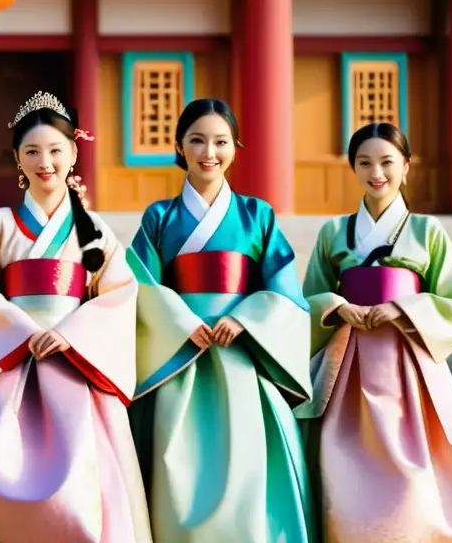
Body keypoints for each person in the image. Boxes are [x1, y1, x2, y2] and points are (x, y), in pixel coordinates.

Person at [0, 91, 152, 543]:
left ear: (73, 152)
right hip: (11, 366)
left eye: (55, 150)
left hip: (75, 365)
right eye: (31, 151)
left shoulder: (95, 231)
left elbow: (119, 293)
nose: (44, 161)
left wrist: (71, 334)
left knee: (84, 483)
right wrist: (24, 332)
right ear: (17, 159)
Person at [295, 122, 452, 542]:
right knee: (344, 457)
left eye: (387, 162)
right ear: (353, 168)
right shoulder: (334, 232)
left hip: (408, 360)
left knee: (414, 462)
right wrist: (338, 306)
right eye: (364, 163)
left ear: (406, 166)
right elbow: (308, 299)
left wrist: (402, 308)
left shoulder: (428, 231)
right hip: (349, 360)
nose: (376, 172)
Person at [127, 98, 314, 543]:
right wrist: (179, 320)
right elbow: (140, 284)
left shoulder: (258, 215)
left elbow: (286, 291)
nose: (209, 151)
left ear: (235, 148)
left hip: (242, 355)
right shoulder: (159, 217)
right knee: (178, 461)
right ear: (179, 146)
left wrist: (247, 319)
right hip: (179, 358)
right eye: (197, 140)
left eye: (220, 142)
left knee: (251, 462)